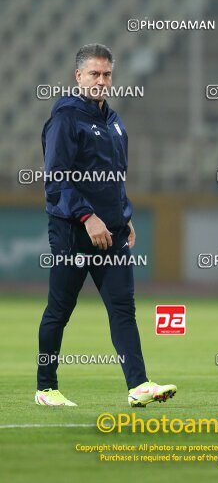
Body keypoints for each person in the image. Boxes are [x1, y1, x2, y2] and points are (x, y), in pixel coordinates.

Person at [35, 43, 177, 407]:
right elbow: (56, 181)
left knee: (122, 308)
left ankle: (139, 385)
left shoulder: (114, 122)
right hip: (72, 230)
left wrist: (122, 217)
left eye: (107, 74)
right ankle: (46, 388)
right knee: (59, 309)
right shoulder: (65, 118)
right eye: (94, 74)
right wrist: (87, 216)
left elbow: (116, 179)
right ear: (78, 76)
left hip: (110, 233)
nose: (101, 80)